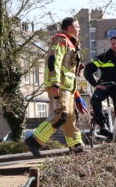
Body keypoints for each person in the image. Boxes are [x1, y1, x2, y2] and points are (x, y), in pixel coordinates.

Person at [25, 17, 84, 156]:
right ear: (69, 28)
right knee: (61, 114)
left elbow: (68, 69)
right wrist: (54, 82)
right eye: (77, 26)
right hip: (60, 85)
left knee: (70, 116)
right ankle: (34, 141)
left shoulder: (72, 43)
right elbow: (53, 61)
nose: (79, 29)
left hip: (68, 86)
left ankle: (76, 145)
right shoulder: (61, 40)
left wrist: (76, 93)